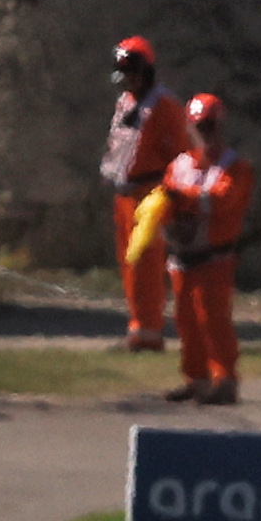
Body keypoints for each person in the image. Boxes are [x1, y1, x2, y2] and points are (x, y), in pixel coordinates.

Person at [162, 91, 253, 406]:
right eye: (201, 126)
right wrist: (171, 219)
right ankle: (196, 379)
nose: (208, 132)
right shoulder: (178, 166)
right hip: (182, 256)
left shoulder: (236, 167)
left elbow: (222, 200)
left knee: (214, 320)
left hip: (215, 257)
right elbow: (163, 204)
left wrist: (181, 199)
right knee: (186, 322)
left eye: (213, 125)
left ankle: (225, 380)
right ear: (190, 127)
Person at [102, 36, 187, 354]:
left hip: (149, 193)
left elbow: (180, 153)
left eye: (132, 73)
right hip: (124, 193)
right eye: (123, 74)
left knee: (147, 265)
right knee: (129, 264)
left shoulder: (164, 105)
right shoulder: (125, 102)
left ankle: (149, 331)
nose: (128, 81)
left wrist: (169, 196)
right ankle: (137, 325)